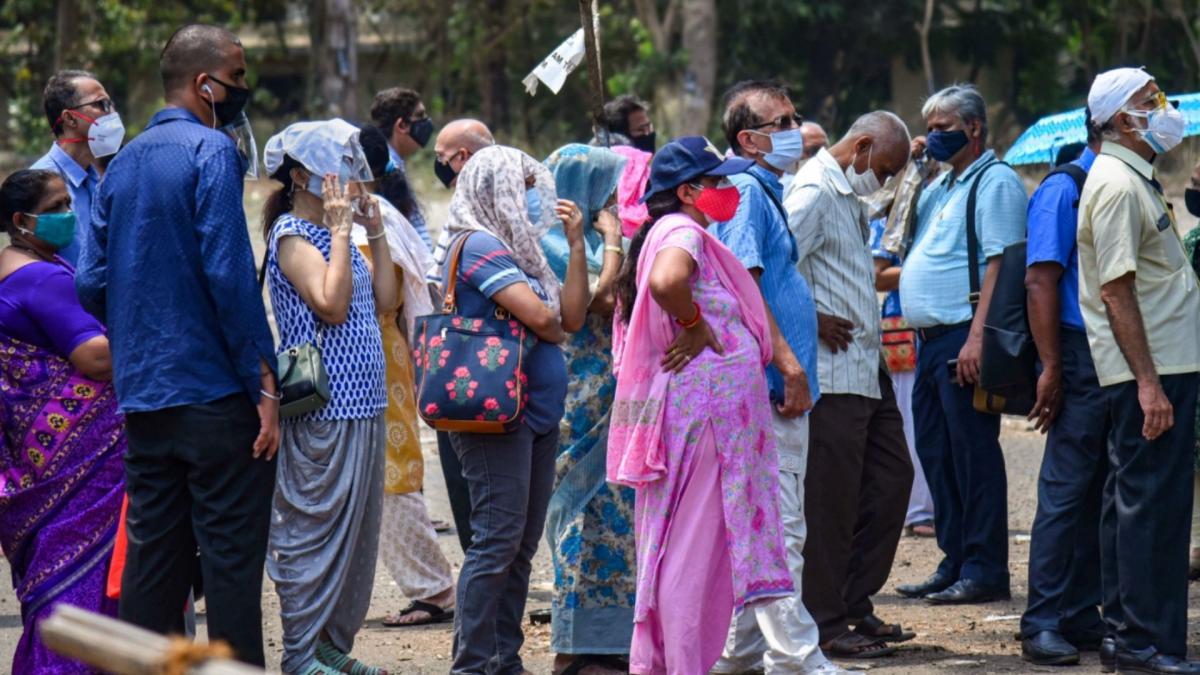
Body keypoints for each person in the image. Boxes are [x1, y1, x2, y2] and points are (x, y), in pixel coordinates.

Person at [75, 24, 280, 666]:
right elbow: (228, 275)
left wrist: (141, 326)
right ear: (204, 83)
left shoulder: (122, 162)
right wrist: (264, 381)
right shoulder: (212, 151)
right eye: (237, 76)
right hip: (215, 396)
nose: (243, 88)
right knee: (230, 565)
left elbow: (91, 280)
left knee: (153, 565)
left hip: (144, 398)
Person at [609, 135, 796, 675]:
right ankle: (682, 664)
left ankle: (673, 662)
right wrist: (693, 323)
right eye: (716, 182)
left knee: (679, 544)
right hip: (707, 417)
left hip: (699, 412)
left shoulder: (670, 230)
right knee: (689, 552)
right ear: (689, 191)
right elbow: (668, 282)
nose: (727, 190)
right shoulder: (684, 232)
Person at [440, 144, 590, 675]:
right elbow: (546, 321)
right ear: (494, 189)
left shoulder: (522, 253)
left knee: (520, 546)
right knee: (496, 542)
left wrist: (577, 245)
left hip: (534, 413)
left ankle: (503, 660)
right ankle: (472, 664)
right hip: (495, 418)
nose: (530, 200)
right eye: (521, 189)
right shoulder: (479, 245)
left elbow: (572, 316)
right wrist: (552, 319)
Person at [709, 80, 842, 675]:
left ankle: (739, 652)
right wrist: (787, 364)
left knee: (764, 521)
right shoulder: (744, 190)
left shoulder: (762, 189)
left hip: (772, 385)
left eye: (794, 117)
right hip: (767, 387)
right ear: (749, 139)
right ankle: (795, 657)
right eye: (782, 122)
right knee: (779, 524)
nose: (795, 130)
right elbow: (746, 283)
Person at [261, 119, 396, 675]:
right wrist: (342, 233)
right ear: (300, 177)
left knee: (356, 533)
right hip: (323, 403)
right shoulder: (293, 234)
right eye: (336, 171)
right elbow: (331, 305)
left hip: (365, 401)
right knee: (315, 529)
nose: (349, 181)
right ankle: (299, 653)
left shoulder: (340, 236)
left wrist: (375, 232)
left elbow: (384, 299)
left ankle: (330, 644)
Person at [1077, 67, 1200, 674]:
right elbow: (1116, 290)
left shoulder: (1132, 178)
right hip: (1152, 371)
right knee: (1155, 507)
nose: (1165, 108)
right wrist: (1149, 384)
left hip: (1159, 365)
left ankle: (1127, 634)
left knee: (1134, 501)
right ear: (1124, 120)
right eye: (1152, 101)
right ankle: (1145, 643)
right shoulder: (1118, 185)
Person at [786, 111, 915, 655]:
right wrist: (812, 318)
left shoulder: (847, 197)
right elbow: (771, 268)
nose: (882, 180)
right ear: (860, 146)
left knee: (891, 481)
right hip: (832, 373)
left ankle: (852, 599)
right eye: (882, 169)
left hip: (866, 368)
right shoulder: (813, 190)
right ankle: (825, 621)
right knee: (831, 502)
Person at [895, 83, 1026, 605]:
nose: (932, 137)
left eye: (943, 128)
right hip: (929, 341)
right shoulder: (942, 184)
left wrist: (977, 338)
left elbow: (1001, 264)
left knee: (972, 454)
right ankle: (955, 558)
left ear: (974, 128)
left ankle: (986, 568)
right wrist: (914, 170)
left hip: (961, 336)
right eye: (928, 129)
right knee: (936, 452)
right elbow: (897, 232)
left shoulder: (995, 182)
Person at [0, 169, 124, 673]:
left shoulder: (13, 267)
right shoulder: (42, 277)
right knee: (80, 583)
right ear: (20, 220)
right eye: (54, 208)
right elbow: (95, 357)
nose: (68, 216)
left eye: (68, 204)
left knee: (54, 576)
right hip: (82, 465)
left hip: (34, 465)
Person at [355, 125, 457, 629]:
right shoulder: (369, 215)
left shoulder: (370, 221)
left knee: (392, 475)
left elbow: (386, 297)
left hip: (378, 354)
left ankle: (433, 588)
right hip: (375, 354)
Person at [541, 144, 637, 675]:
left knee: (613, 519)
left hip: (610, 395)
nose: (616, 197)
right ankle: (574, 647)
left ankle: (608, 642)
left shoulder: (590, 240)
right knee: (578, 516)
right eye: (608, 186)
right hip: (576, 398)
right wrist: (615, 239)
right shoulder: (553, 242)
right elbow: (603, 299)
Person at [1019, 115, 1107, 666]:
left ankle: (1079, 610)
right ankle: (1043, 620)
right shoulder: (1064, 187)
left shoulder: (1120, 183)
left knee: (1098, 488)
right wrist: (1051, 366)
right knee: (1066, 490)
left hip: (1110, 352)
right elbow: (1040, 279)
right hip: (1075, 352)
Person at [424, 118, 498, 555]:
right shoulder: (475, 209)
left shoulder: (473, 219)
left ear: (463, 158)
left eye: (441, 156)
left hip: (472, 364)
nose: (436, 164)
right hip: (476, 362)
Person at [869, 216, 935, 537]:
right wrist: (930, 268)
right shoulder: (892, 219)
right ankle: (918, 508)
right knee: (910, 419)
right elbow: (877, 276)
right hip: (904, 328)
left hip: (929, 327)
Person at [31, 70, 123, 264]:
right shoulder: (39, 183)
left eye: (111, 104)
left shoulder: (101, 178)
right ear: (70, 118)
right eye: (102, 104)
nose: (113, 114)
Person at [370, 86, 435, 250]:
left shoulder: (393, 163)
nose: (427, 121)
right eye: (420, 115)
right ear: (402, 125)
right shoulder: (385, 169)